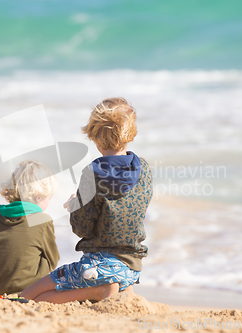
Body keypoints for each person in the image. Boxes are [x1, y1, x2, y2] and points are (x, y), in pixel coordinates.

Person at [21, 97, 153, 303]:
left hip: (98, 268)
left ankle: (100, 291)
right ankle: (118, 288)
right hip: (132, 269)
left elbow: (82, 228)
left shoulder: (92, 173)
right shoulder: (143, 168)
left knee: (31, 295)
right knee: (103, 278)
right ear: (131, 133)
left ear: (95, 137)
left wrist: (76, 205)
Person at [0, 160, 60, 295]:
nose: (49, 202)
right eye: (49, 198)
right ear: (38, 197)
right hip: (27, 293)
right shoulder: (42, 221)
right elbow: (53, 261)